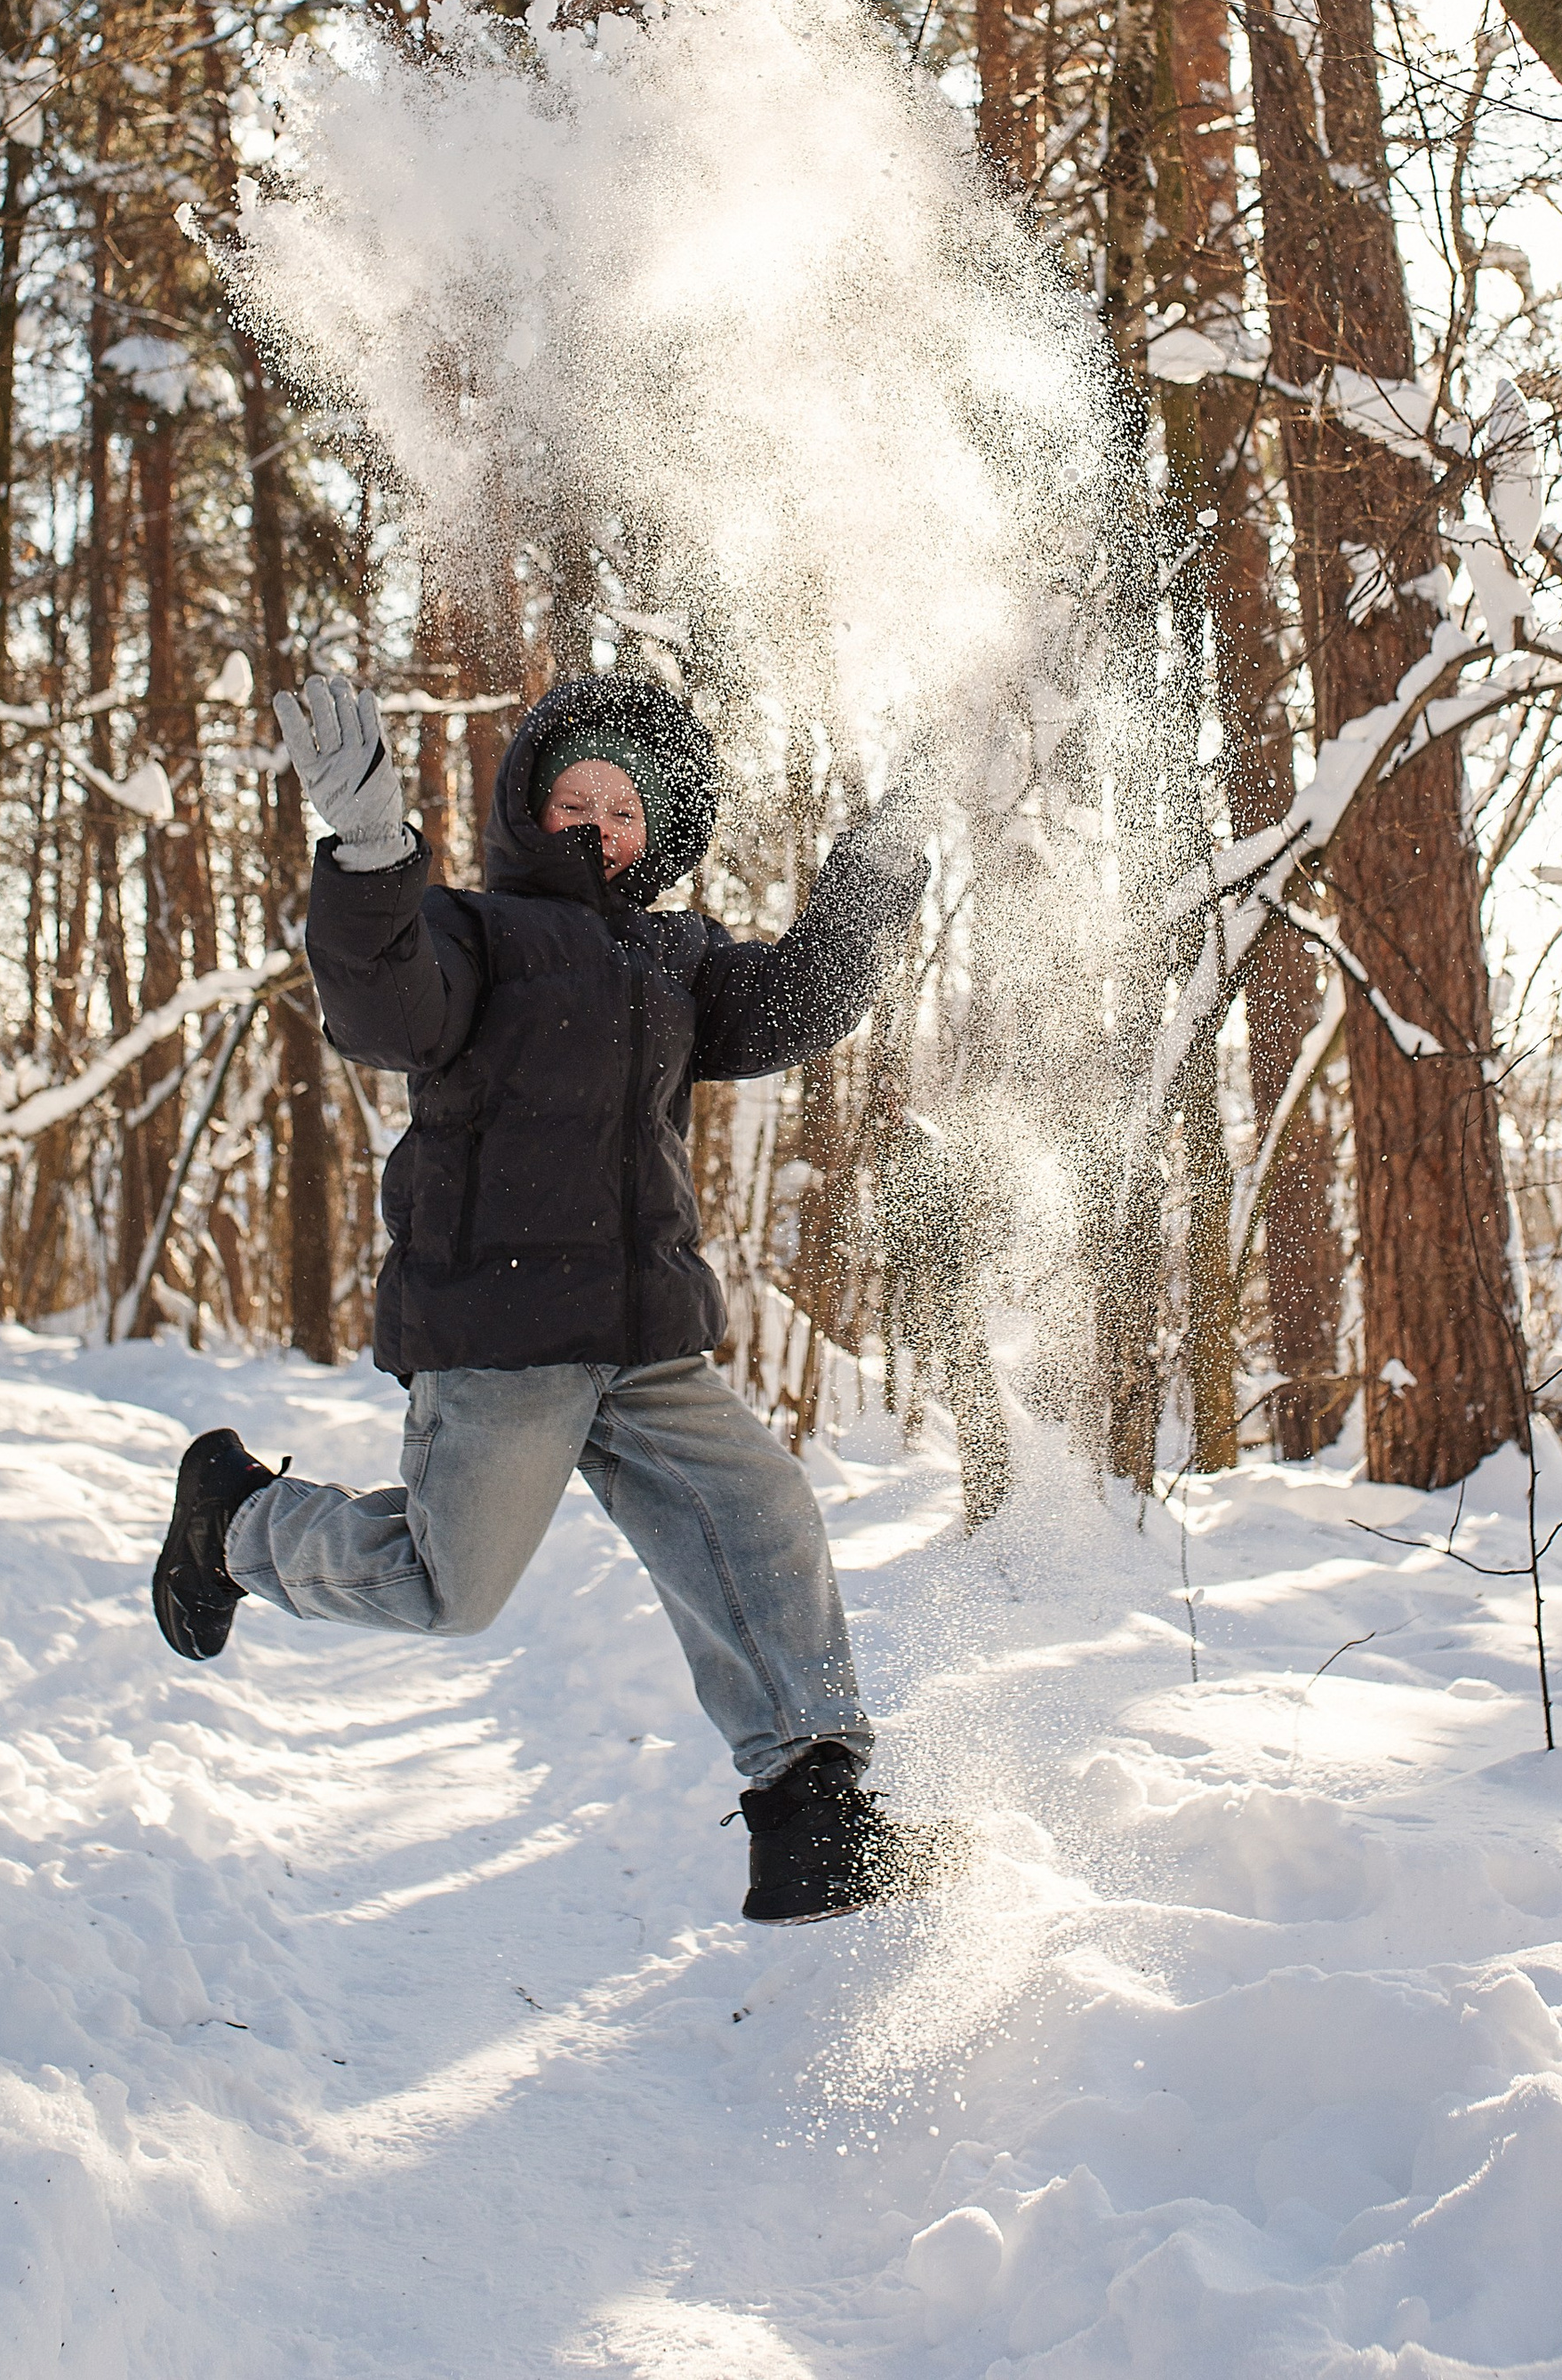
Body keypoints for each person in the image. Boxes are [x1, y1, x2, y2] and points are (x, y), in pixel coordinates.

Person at [152, 666, 959, 1924]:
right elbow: (382, 1004)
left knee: (765, 1519)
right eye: (576, 798)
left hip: (647, 1346)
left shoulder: (680, 961)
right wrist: (370, 852)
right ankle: (235, 1528)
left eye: (629, 812)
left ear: (665, 840)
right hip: (504, 1338)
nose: (599, 826)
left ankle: (813, 1814)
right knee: (446, 1592)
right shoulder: (475, 937)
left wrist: (877, 864)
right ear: (530, 810)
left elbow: (797, 1000)